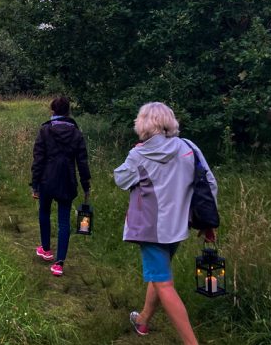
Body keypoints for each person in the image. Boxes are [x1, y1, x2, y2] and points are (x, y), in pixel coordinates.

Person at [113, 102, 216, 344]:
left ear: (142, 124)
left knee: (164, 283)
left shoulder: (139, 154)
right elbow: (210, 184)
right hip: (178, 226)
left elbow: (121, 179)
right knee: (160, 275)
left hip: (150, 229)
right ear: (170, 121)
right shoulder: (189, 148)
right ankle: (143, 320)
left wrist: (135, 155)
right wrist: (205, 220)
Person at [31, 96, 91, 277]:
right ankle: (59, 263)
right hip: (67, 180)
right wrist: (86, 184)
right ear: (68, 111)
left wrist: (34, 184)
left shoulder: (45, 130)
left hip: (46, 180)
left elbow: (38, 159)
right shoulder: (76, 133)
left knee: (44, 212)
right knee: (64, 222)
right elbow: (82, 161)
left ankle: (46, 249)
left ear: (52, 111)